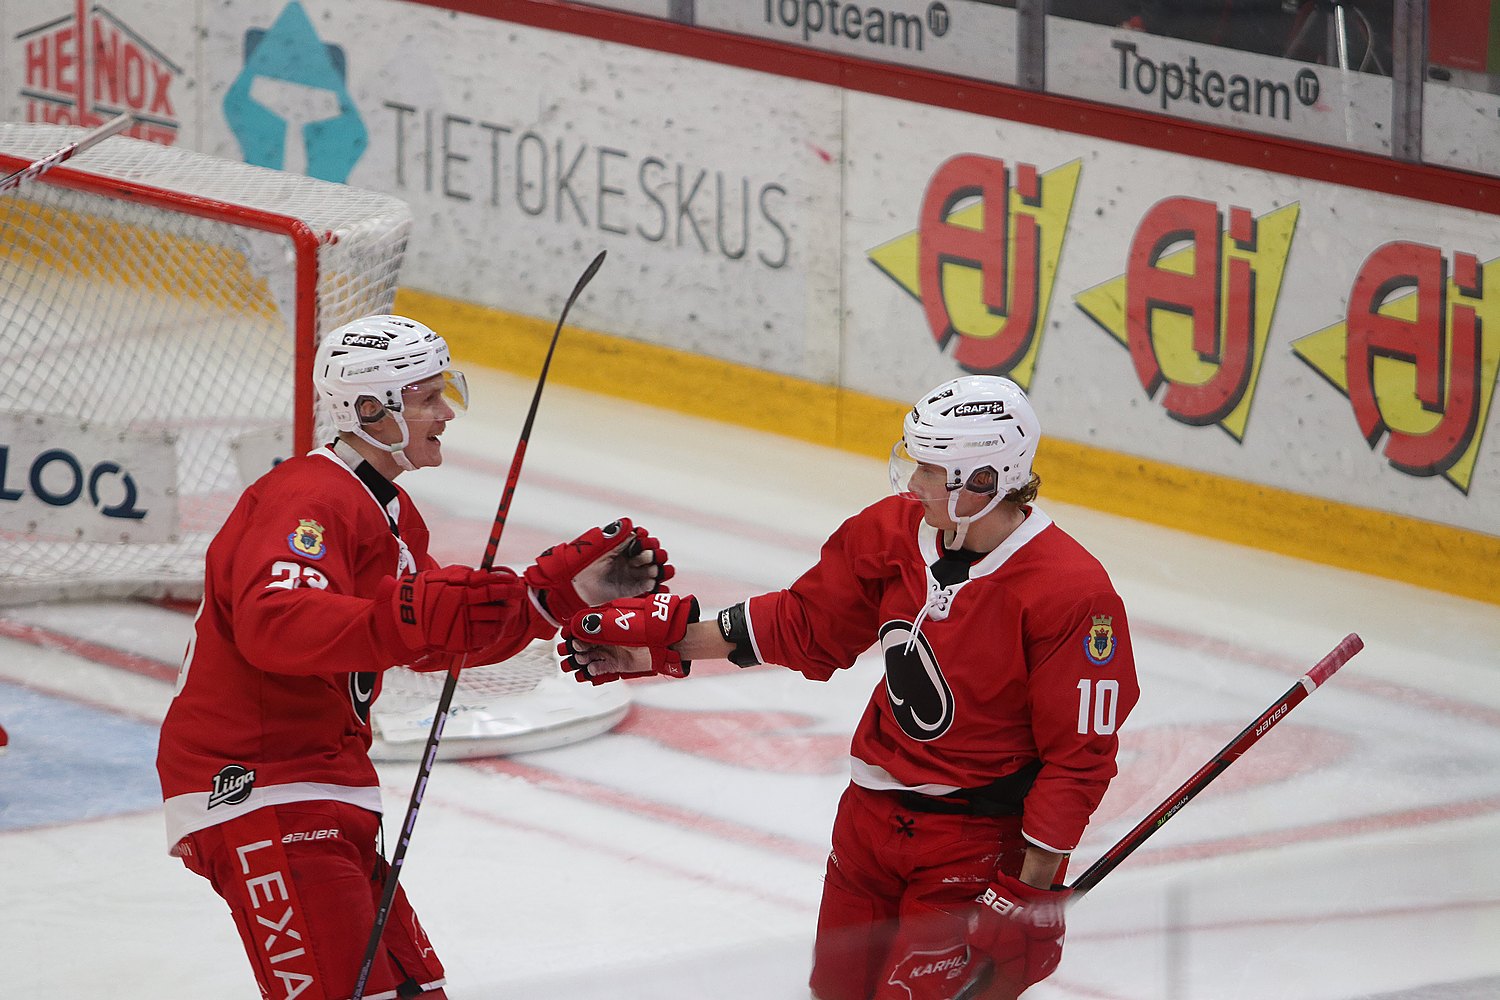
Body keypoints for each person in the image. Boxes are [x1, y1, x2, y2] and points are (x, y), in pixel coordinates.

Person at [559, 375, 1140, 1000]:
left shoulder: (1072, 594)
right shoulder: (892, 533)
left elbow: (1078, 758)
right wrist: (664, 645)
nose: (913, 484)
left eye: (931, 471)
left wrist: (1030, 891)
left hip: (971, 847)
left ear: (985, 481)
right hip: (866, 823)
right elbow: (808, 625)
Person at [156, 314, 670, 1000]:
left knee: (414, 990)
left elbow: (432, 633)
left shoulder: (389, 514)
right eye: (429, 397)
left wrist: (554, 597)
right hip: (256, 787)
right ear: (370, 409)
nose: (447, 412)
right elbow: (274, 625)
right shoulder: (307, 499)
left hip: (322, 782)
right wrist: (413, 612)